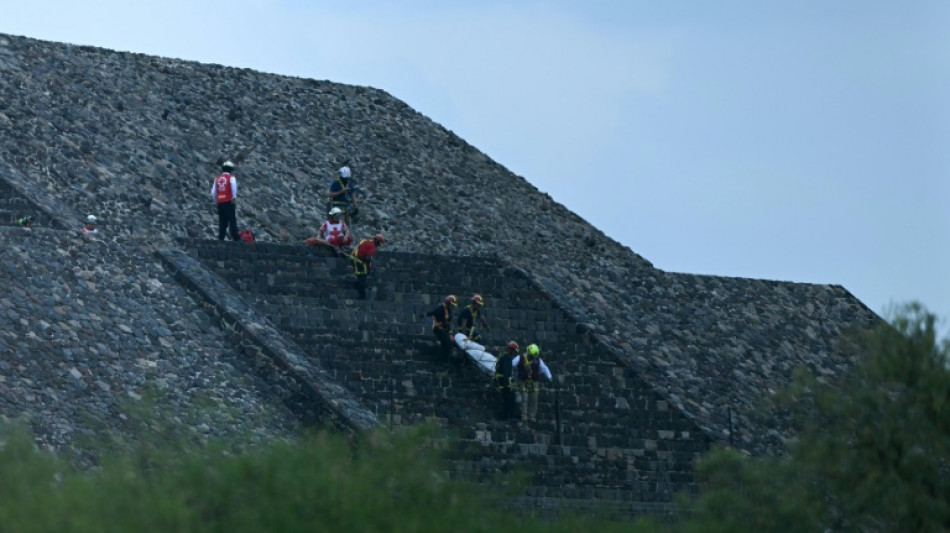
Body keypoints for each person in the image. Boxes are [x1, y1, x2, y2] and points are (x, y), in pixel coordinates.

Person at [512, 343, 553, 423]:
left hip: (534, 382)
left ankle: (532, 416)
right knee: (524, 398)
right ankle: (524, 416)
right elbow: (511, 364)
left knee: (534, 399)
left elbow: (545, 368)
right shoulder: (520, 358)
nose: (533, 357)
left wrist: (549, 378)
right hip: (523, 381)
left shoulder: (538, 360)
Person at [349, 233, 385, 299]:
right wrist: (368, 268)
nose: (379, 245)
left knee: (359, 276)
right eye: (379, 243)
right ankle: (362, 297)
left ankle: (356, 288)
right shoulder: (372, 246)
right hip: (360, 262)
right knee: (363, 278)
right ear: (377, 242)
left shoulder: (365, 241)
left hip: (354, 260)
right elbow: (368, 258)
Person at [211, 160, 239, 241]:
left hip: (220, 202)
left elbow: (213, 192)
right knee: (232, 219)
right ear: (231, 170)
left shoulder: (217, 179)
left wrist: (216, 199)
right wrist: (234, 197)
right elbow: (234, 187)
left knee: (222, 221)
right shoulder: (231, 178)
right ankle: (235, 236)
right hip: (229, 201)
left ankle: (221, 237)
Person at [424, 295, 458, 361]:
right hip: (438, 329)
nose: (453, 306)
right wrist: (425, 314)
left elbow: (448, 324)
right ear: (448, 303)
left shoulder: (449, 310)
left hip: (445, 329)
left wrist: (450, 334)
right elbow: (432, 313)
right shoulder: (440, 308)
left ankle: (445, 358)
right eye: (452, 305)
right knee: (447, 343)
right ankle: (443, 359)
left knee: (450, 342)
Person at [494, 341, 519, 420]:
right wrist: (508, 382)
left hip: (502, 380)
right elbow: (506, 371)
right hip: (505, 381)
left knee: (507, 398)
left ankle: (507, 416)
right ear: (511, 349)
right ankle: (508, 417)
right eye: (514, 351)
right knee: (509, 398)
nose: (514, 353)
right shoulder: (507, 357)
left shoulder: (503, 355)